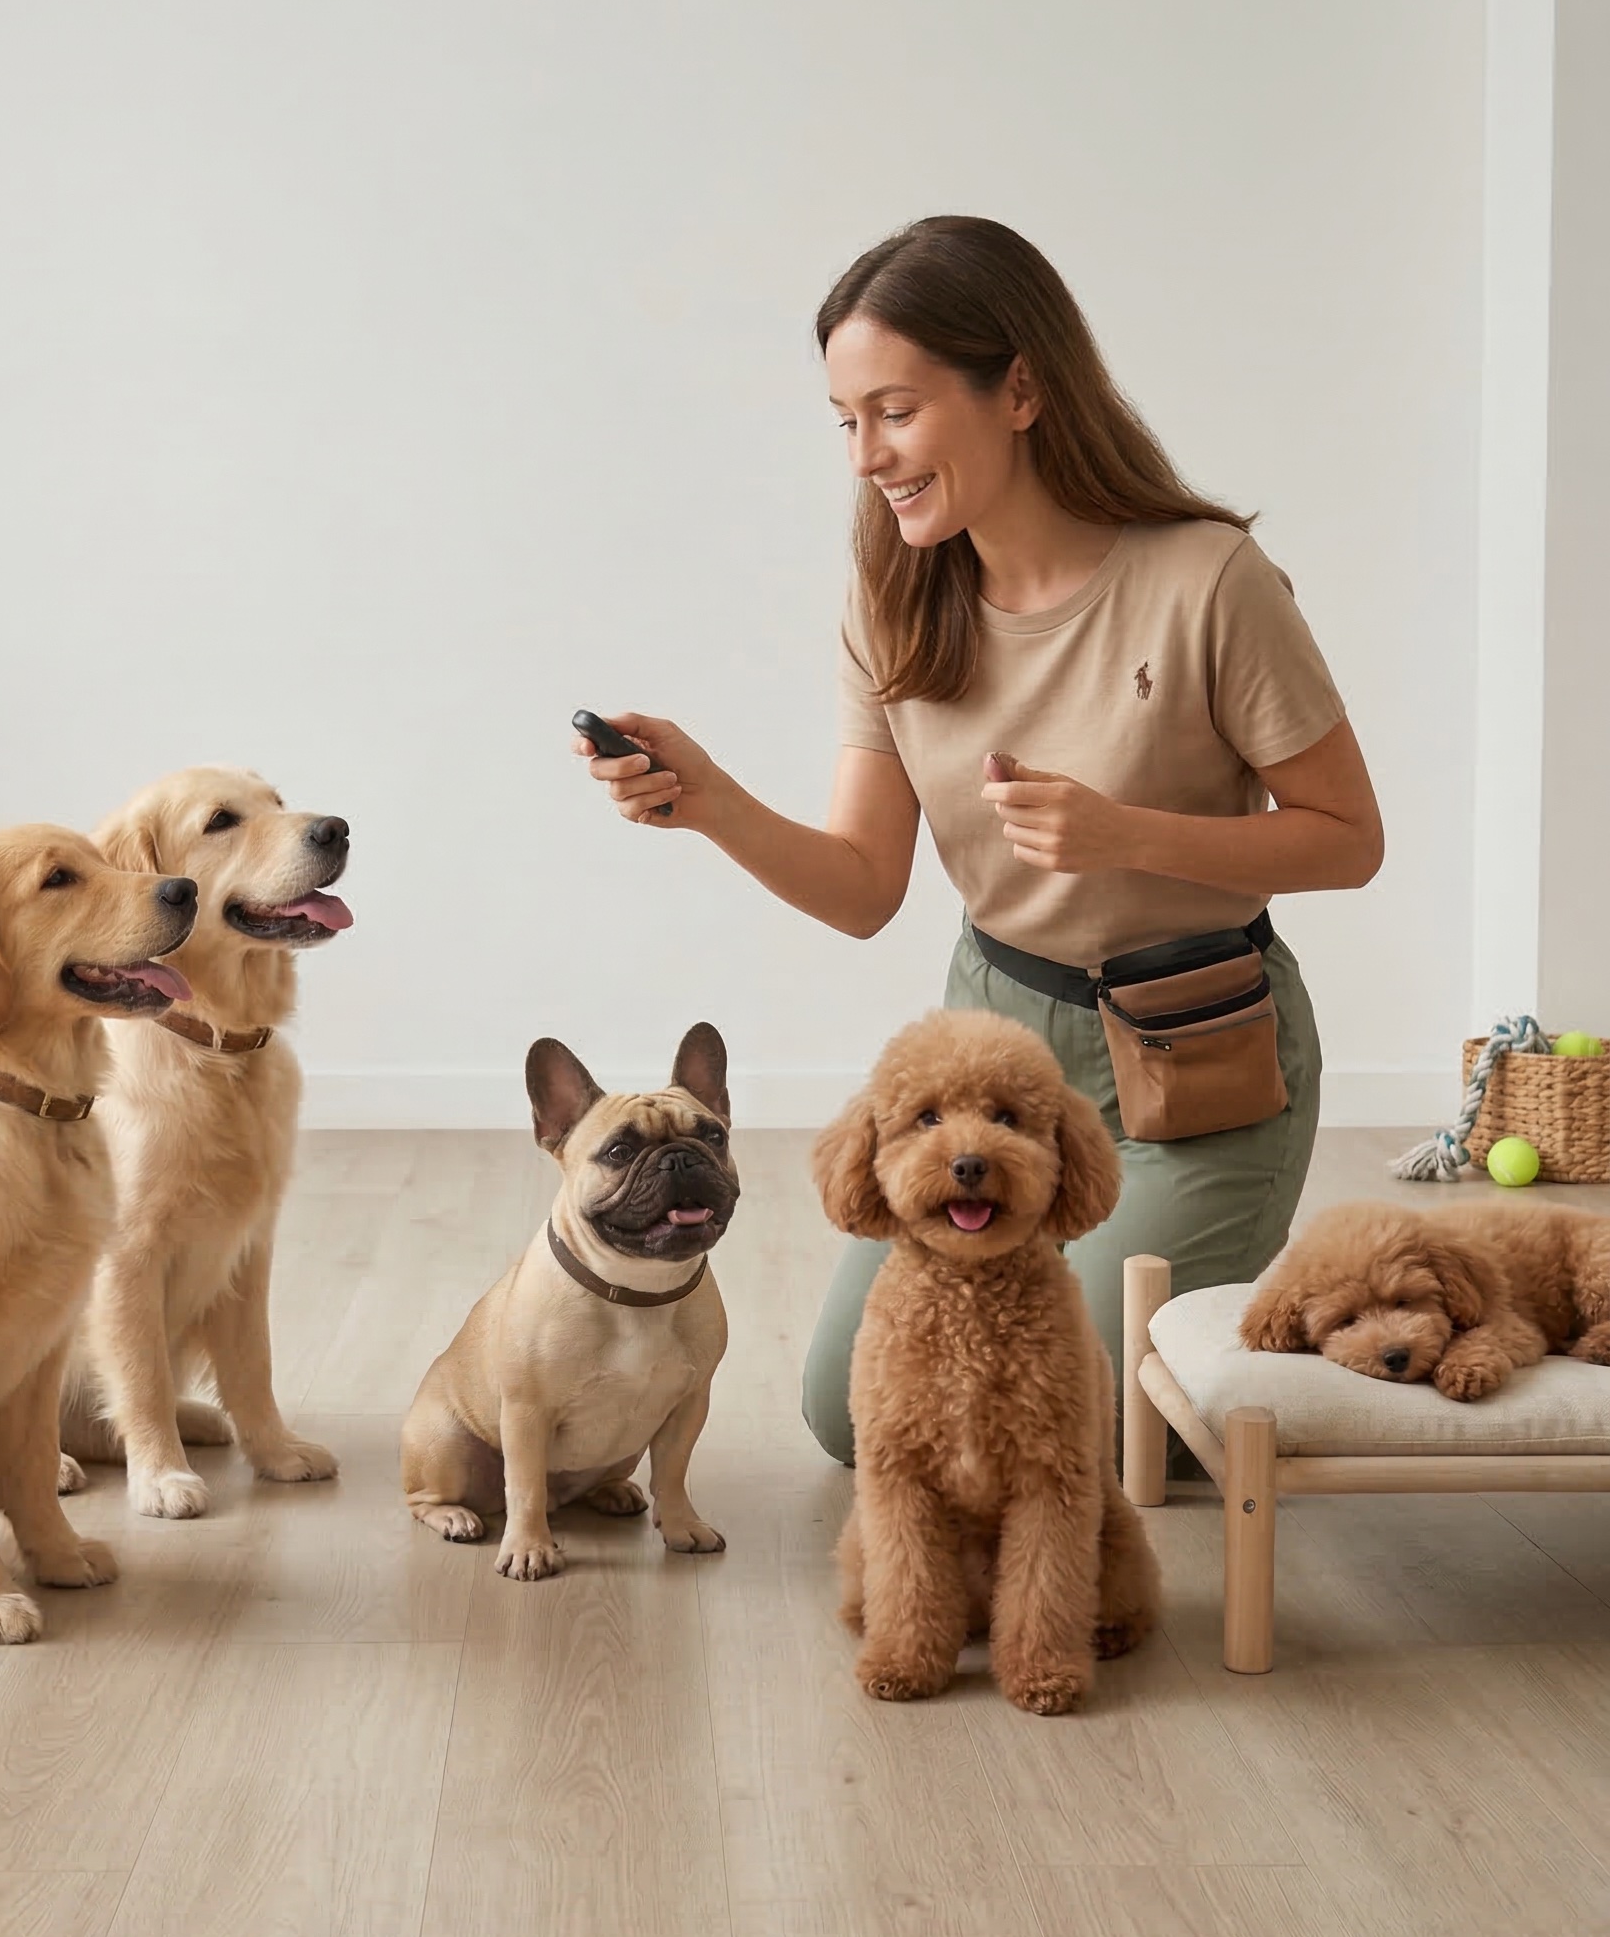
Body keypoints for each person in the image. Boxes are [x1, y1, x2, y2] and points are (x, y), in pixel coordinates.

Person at [577, 215, 1383, 1469]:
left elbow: (1348, 841)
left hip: (1197, 1069)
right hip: (989, 1055)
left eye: (892, 412)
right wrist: (710, 799)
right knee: (858, 1414)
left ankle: (1271, 1343)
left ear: (1018, 388)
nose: (866, 457)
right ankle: (1199, 1359)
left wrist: (1126, 837)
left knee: (1038, 1423)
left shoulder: (1208, 579)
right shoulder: (896, 601)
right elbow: (860, 891)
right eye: (845, 422)